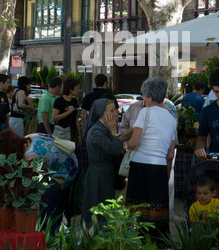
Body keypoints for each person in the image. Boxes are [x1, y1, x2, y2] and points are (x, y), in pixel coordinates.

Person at [0, 128, 78, 230]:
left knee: (47, 204)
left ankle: (48, 235)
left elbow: (29, 182)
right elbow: (54, 137)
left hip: (65, 172)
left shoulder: (31, 157)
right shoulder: (30, 136)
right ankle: (65, 230)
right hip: (71, 157)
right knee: (60, 202)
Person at [125, 77, 176, 239]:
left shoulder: (145, 112)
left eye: (144, 96)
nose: (143, 100)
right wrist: (167, 172)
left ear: (151, 97)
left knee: (137, 209)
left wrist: (126, 142)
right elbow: (170, 154)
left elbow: (133, 143)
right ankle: (156, 242)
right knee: (156, 211)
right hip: (160, 168)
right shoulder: (171, 118)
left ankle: (135, 240)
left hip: (140, 167)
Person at [81, 98, 125, 226]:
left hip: (105, 172)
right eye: (111, 110)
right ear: (101, 113)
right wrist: (114, 132)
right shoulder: (96, 132)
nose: (116, 113)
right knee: (99, 207)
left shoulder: (101, 129)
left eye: (115, 110)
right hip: (99, 174)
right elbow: (116, 149)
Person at [52, 78, 82, 146]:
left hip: (73, 132)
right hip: (62, 132)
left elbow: (76, 118)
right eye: (77, 88)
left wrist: (79, 133)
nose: (78, 91)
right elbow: (54, 118)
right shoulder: (59, 101)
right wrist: (68, 112)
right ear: (71, 89)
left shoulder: (74, 101)